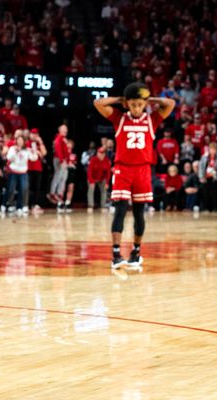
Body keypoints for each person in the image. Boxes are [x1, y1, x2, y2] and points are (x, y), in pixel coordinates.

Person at [94, 83, 175, 269]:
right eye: (133, 105)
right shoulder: (119, 118)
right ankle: (116, 254)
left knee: (139, 213)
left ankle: (136, 252)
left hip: (143, 170)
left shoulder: (152, 119)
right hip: (123, 169)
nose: (137, 108)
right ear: (127, 105)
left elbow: (170, 103)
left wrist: (150, 99)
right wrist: (120, 99)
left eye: (140, 105)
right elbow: (98, 103)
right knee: (120, 210)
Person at [49, 124, 69, 208]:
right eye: (64, 129)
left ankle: (59, 194)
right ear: (59, 130)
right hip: (59, 160)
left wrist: (67, 161)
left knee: (63, 177)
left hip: (64, 160)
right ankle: (53, 193)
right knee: (58, 176)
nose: (66, 131)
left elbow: (66, 151)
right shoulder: (58, 138)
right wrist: (61, 160)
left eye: (66, 129)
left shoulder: (64, 139)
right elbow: (58, 150)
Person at [87, 147, 111, 211]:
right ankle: (90, 205)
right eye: (100, 153)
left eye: (103, 153)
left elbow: (108, 173)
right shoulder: (93, 160)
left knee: (104, 189)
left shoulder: (106, 161)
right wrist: (91, 181)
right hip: (93, 178)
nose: (101, 155)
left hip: (102, 178)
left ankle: (103, 205)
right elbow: (89, 171)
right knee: (91, 188)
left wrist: (107, 183)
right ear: (97, 153)